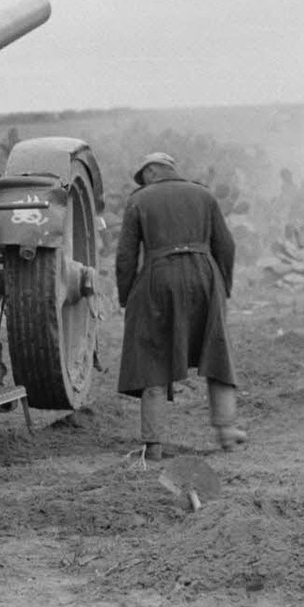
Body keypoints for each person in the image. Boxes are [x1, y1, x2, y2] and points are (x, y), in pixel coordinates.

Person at [116, 152, 246, 461]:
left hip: (158, 277)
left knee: (153, 358)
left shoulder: (139, 201)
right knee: (217, 351)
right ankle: (227, 433)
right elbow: (226, 246)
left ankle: (154, 444)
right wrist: (222, 287)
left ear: (149, 172)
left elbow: (125, 257)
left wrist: (127, 297)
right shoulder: (203, 194)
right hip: (205, 274)